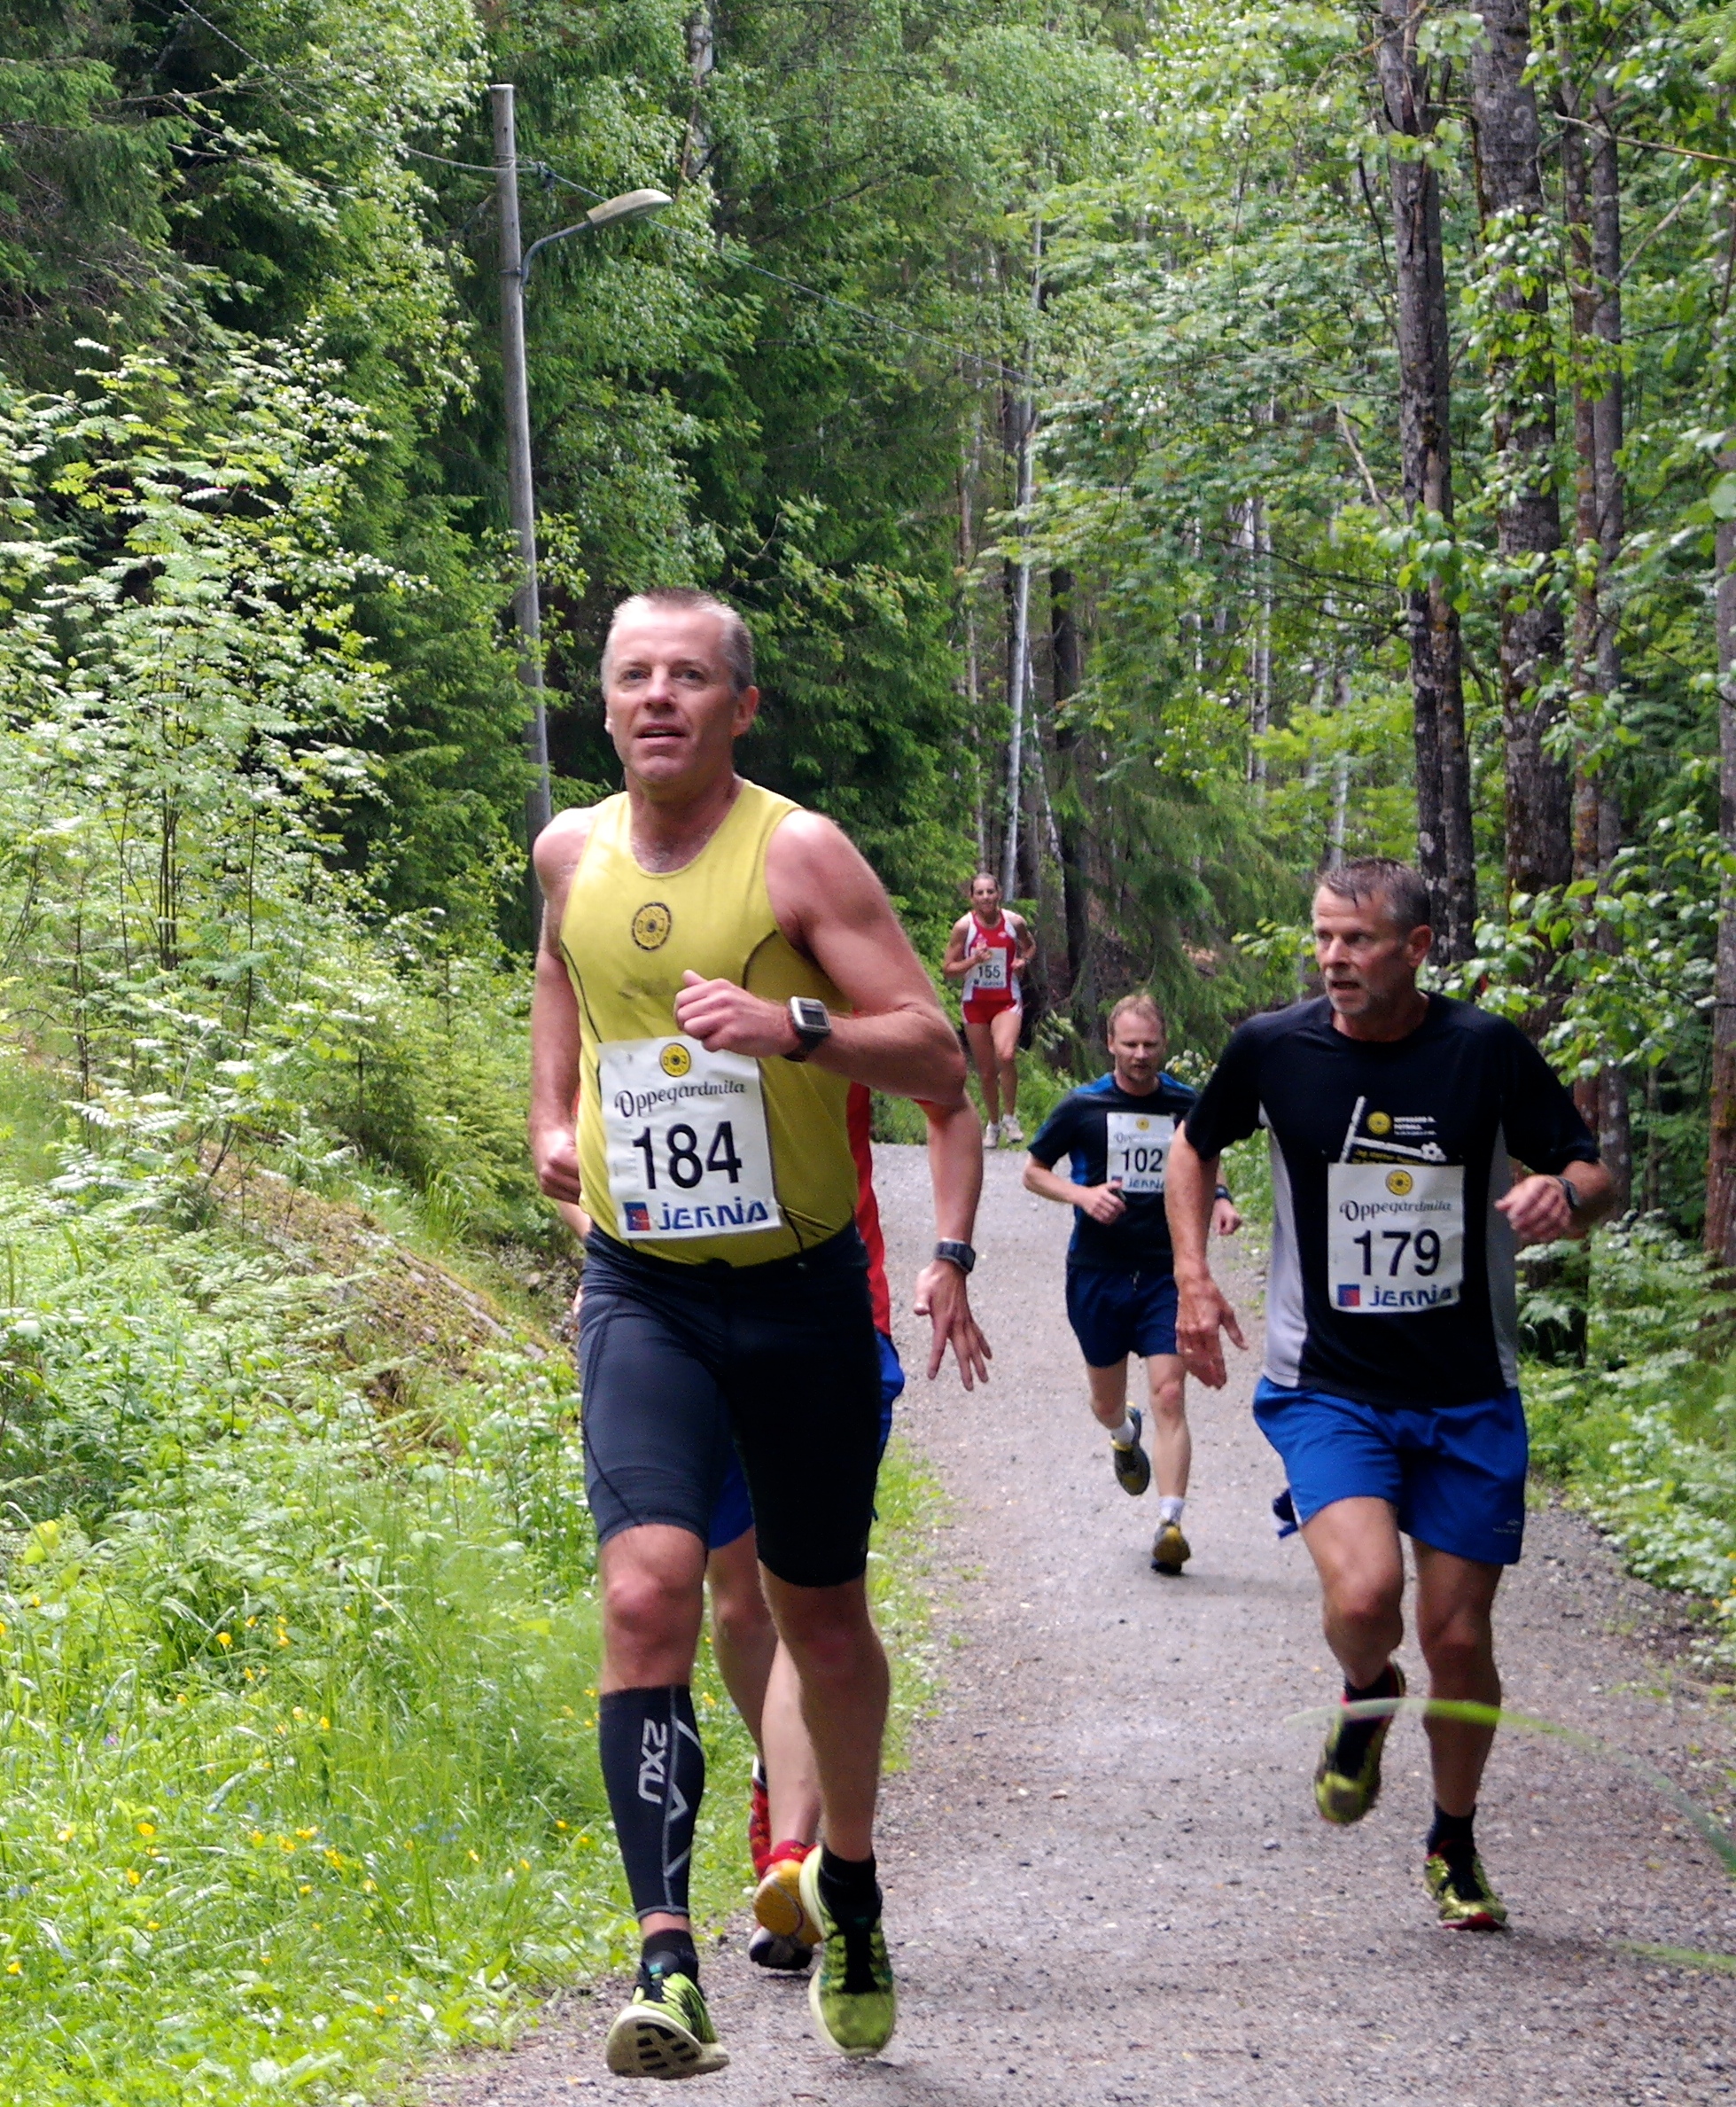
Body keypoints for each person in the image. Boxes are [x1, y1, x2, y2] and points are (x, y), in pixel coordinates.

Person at [528, 587, 976, 2076]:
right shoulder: (568, 852)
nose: (656, 696)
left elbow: (937, 1057)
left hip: (796, 1290)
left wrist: (794, 1029)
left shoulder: (796, 854)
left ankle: (848, 1878)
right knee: (645, 1592)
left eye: (687, 675)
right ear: (603, 702)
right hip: (643, 1287)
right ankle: (666, 1963)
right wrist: (549, 1116)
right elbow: (562, 968)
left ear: (740, 706)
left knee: (817, 1618)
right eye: (632, 675)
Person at [1165, 857, 1615, 1931]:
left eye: (1357, 940)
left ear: (1416, 947)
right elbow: (1194, 1144)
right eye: (1323, 937)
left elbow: (1595, 1169)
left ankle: (1453, 1838)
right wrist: (1191, 1275)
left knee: (1457, 1636)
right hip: (1329, 1384)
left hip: (1468, 1391)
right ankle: (1367, 1690)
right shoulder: (1274, 1046)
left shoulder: (1485, 1050)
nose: (1333, 958)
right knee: (1367, 1596)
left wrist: (1565, 1193)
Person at [557, 1082, 989, 1979]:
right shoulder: (627, 1003)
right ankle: (778, 1777)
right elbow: (568, 1139)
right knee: (738, 1605)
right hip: (672, 1318)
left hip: (822, 1313)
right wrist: (613, 1245)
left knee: (803, 1601)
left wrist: (951, 1253)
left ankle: (792, 1855)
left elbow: (944, 1092)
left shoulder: (820, 1001)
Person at [1023, 995, 1240, 1572]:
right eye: (1130, 1044)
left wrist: (1219, 1197)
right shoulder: (1083, 1105)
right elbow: (1033, 1171)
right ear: (1110, 1044)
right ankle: (1123, 1434)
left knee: (1169, 1393)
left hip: (1166, 1273)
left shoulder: (1185, 1104)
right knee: (1105, 1403)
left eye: (1149, 1044)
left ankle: (1170, 1523)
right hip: (1097, 1272)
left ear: (1163, 1044)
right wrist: (1082, 1195)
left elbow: (1205, 1155)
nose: (1140, 1054)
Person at [941, 871, 1036, 1147]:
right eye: (980, 893)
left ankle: (1010, 1118)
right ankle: (993, 1125)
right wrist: (973, 960)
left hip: (1006, 1000)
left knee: (1005, 1054)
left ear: (999, 894)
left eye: (990, 892)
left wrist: (1023, 961)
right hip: (975, 1004)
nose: (985, 897)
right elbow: (948, 969)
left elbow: (1030, 946)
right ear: (972, 897)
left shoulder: (1014, 922)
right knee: (985, 1072)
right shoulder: (964, 927)